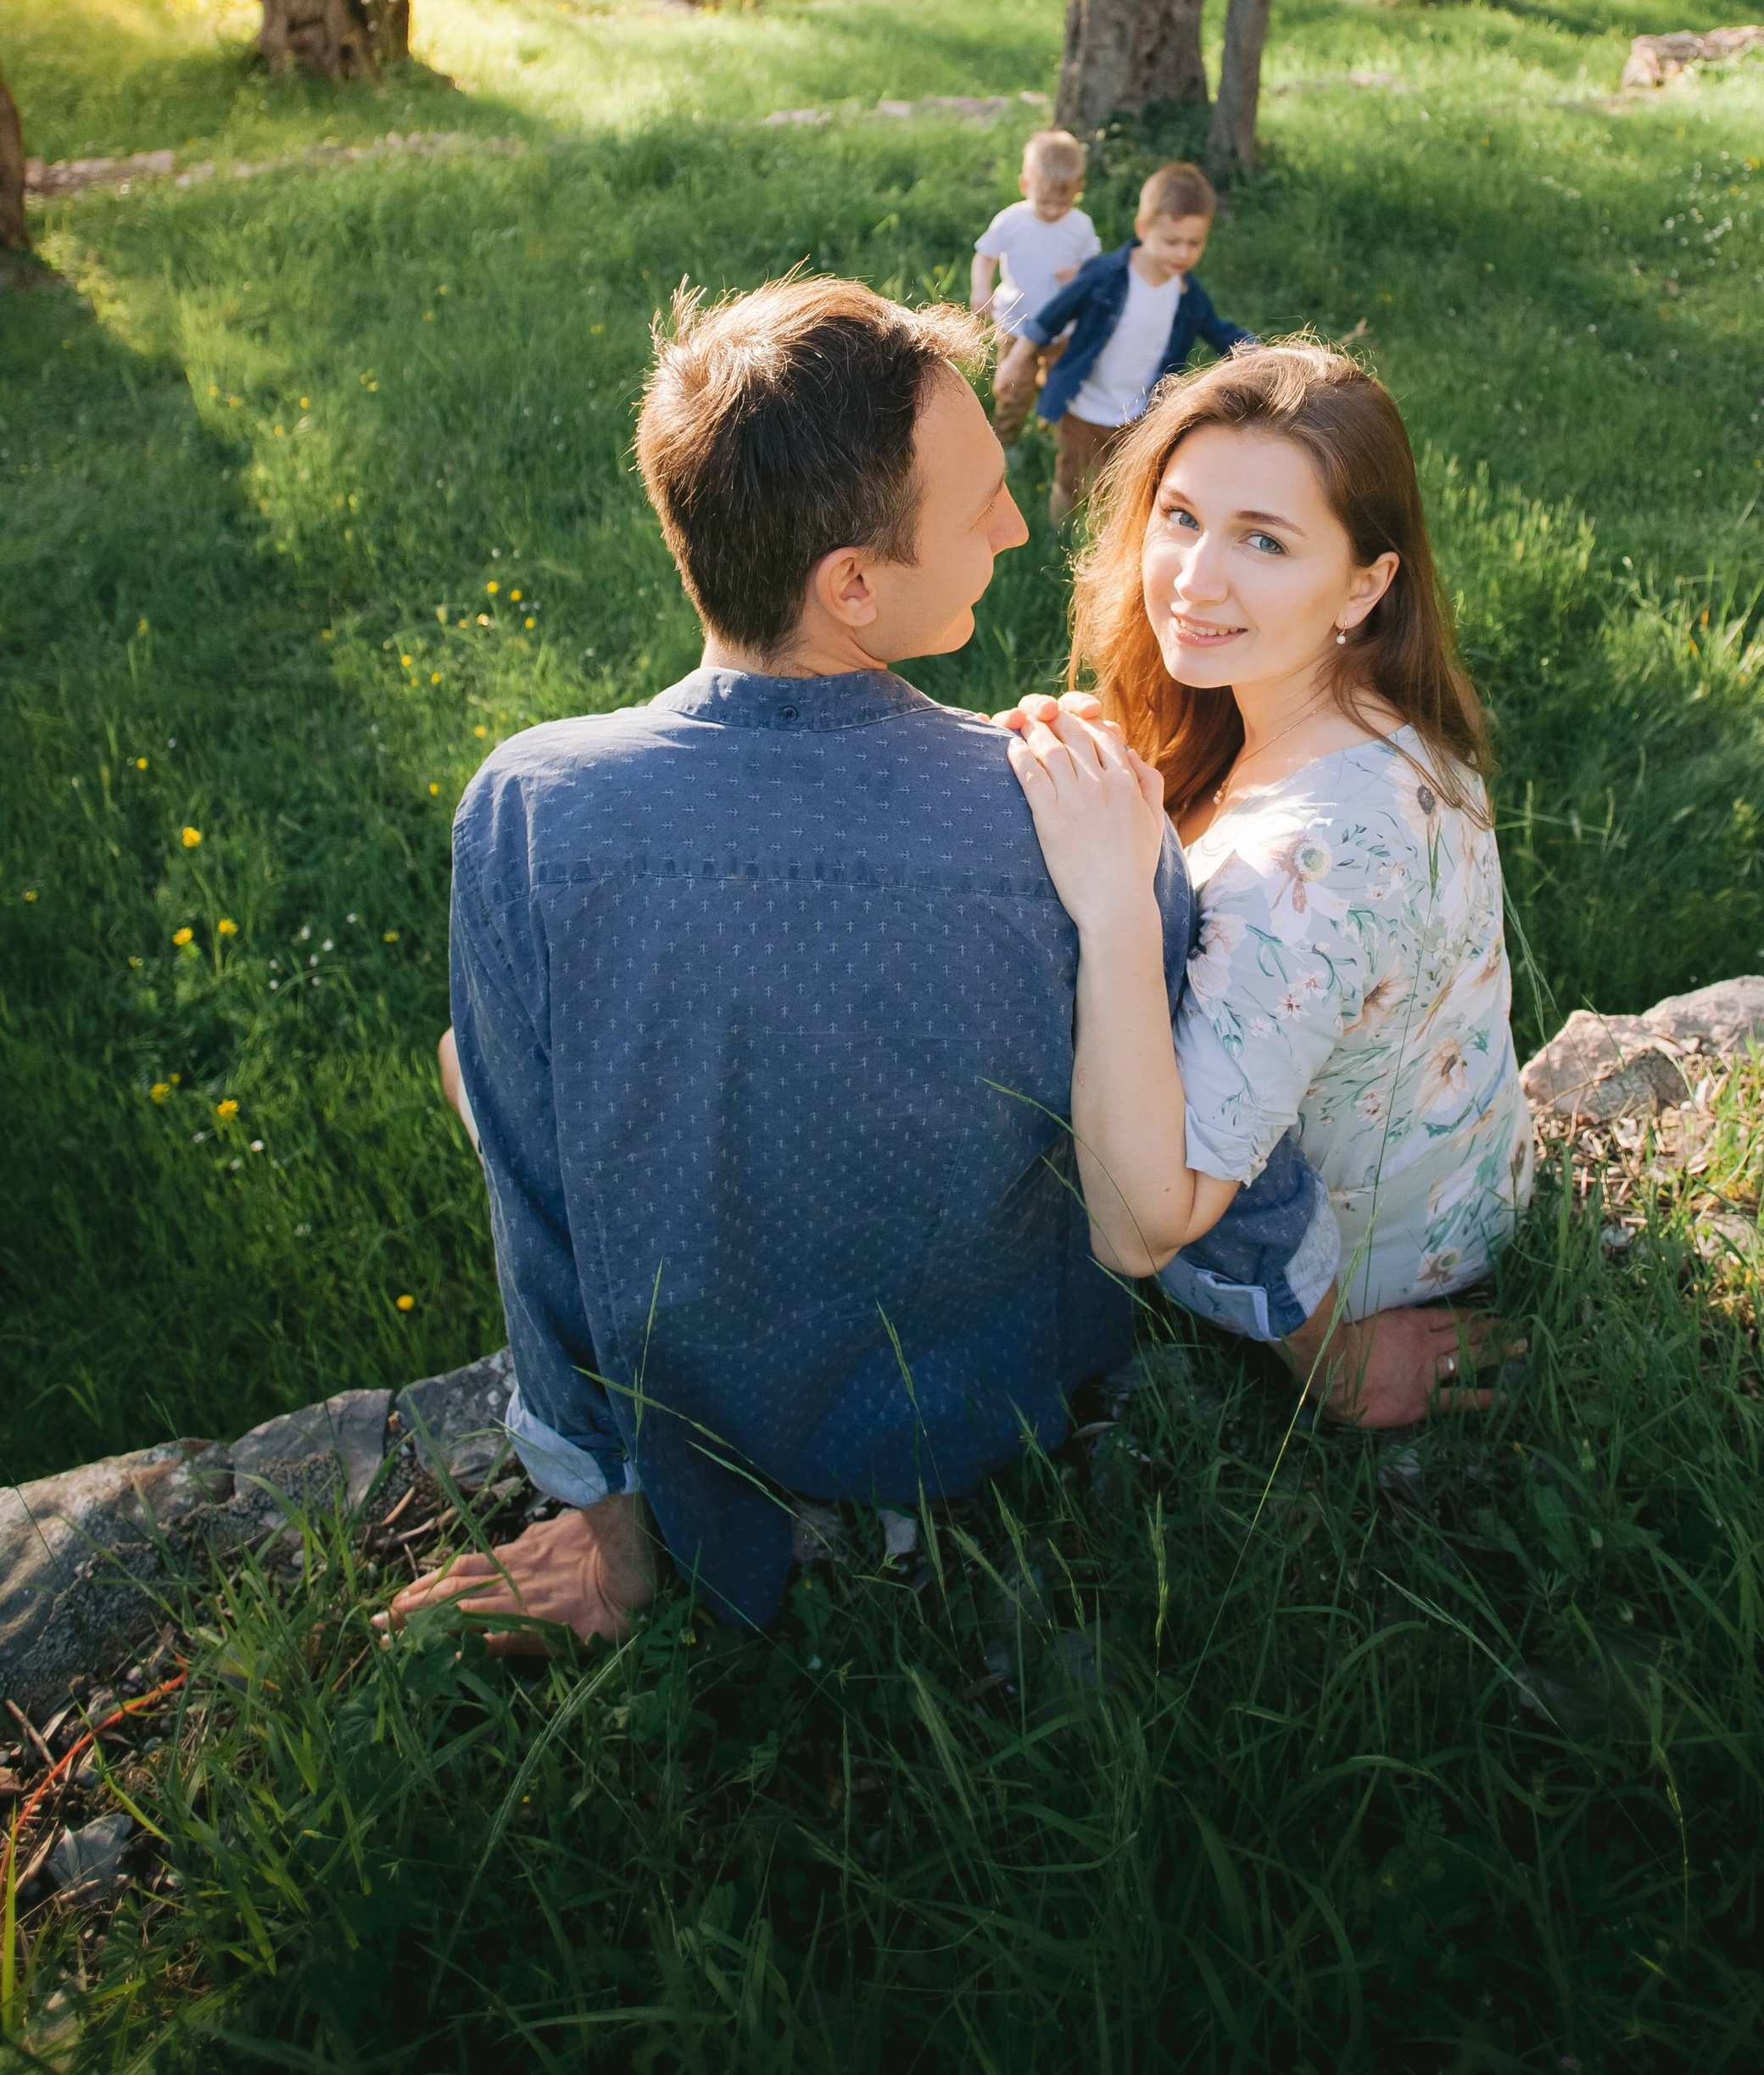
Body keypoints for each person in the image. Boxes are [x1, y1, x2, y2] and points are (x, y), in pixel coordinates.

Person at [387, 277, 1331, 1650]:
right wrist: (1327, 1335)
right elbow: (1203, 1117)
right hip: (996, 1403)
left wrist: (607, 1520)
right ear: (853, 586)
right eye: (981, 505)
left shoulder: (531, 813)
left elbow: (536, 1206)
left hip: (710, 1419)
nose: (1018, 525)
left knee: (476, 1065)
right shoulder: (1071, 818)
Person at [1001, 343, 1532, 1424]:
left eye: (1264, 541)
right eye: (1181, 516)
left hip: (1359, 1271)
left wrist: (1116, 905)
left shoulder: (1304, 863)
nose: (1194, 580)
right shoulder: (1368, 715)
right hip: (1463, 1187)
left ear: (1366, 584)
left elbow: (1142, 1226)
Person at [996, 161, 1252, 528]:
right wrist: (1015, 360)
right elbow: (1052, 316)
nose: (1182, 253)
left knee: (1128, 487)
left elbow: (1220, 332)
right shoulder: (1105, 277)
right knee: (1072, 478)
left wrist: (1263, 354)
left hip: (1141, 413)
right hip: (1083, 407)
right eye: (1172, 241)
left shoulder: (1187, 295)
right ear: (1143, 229)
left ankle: (1113, 537)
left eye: (1194, 243)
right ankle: (1056, 536)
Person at [969, 127, 1100, 444]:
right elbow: (985, 257)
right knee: (1014, 386)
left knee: (1060, 381)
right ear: (1025, 185)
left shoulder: (1080, 226)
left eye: (1063, 203)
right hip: (1016, 322)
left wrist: (1079, 273)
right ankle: (1006, 438)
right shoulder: (1011, 222)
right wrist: (980, 288)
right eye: (1045, 202)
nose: (1054, 211)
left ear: (1079, 188)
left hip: (1062, 326)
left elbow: (1095, 269)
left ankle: (1052, 425)